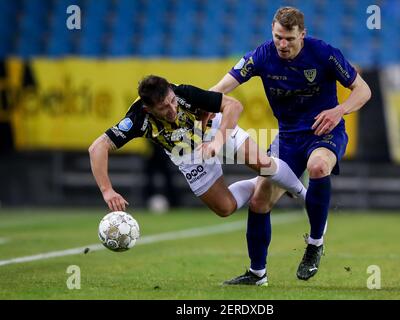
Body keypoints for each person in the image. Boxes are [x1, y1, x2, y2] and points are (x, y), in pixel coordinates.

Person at [210, 6, 371, 285]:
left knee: (318, 166)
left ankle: (315, 244)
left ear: (303, 35)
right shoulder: (262, 55)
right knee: (260, 200)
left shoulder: (323, 53)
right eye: (277, 37)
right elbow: (221, 87)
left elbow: (363, 90)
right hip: (287, 138)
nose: (282, 45)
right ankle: (257, 274)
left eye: (289, 39)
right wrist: (199, 104)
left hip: (324, 132)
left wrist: (339, 110)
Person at [89, 75, 307, 241]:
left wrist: (217, 141)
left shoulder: (183, 92)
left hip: (214, 130)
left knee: (263, 165)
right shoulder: (137, 119)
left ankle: (307, 197)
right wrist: (107, 189)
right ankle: (268, 183)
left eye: (172, 101)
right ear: (148, 109)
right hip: (185, 153)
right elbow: (98, 147)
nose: (172, 109)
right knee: (225, 208)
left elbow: (234, 105)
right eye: (163, 108)